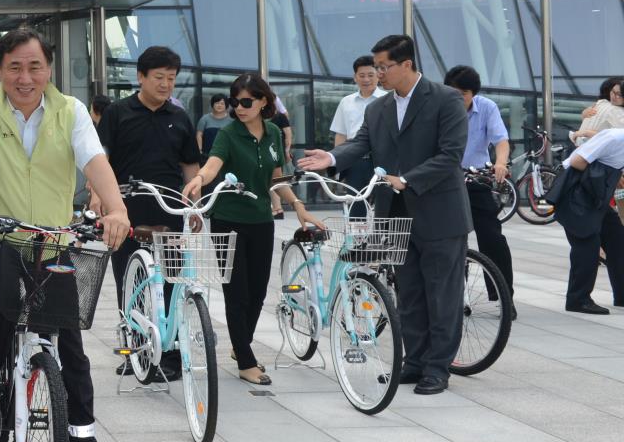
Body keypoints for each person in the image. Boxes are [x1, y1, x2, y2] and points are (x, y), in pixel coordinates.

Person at [0, 27, 133, 442]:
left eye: (35, 67)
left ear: (48, 69)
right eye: (14, 67)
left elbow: (94, 161)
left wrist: (116, 210)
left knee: (69, 343)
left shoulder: (69, 111)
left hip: (52, 240)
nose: (25, 77)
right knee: (1, 298)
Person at [302, 33, 469, 396]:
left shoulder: (445, 100)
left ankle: (438, 368)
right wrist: (330, 159)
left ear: (406, 64)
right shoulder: (378, 108)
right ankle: (415, 361)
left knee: (442, 293)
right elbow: (362, 144)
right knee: (408, 292)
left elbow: (451, 154)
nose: (378, 74)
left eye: (383, 67)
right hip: (395, 213)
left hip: (440, 212)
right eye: (375, 68)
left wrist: (407, 179)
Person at [182, 74, 319, 385]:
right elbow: (213, 164)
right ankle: (246, 359)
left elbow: (275, 177)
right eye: (235, 102)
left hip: (261, 219)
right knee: (236, 291)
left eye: (246, 102)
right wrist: (199, 180)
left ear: (263, 103)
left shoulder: (272, 132)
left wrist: (297, 204)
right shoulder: (228, 134)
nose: (239, 108)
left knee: (258, 291)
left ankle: (240, 343)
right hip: (228, 219)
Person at [96, 46, 203, 379]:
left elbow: (189, 164)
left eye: (171, 78)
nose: (166, 84)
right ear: (140, 77)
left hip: (170, 209)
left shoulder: (179, 117)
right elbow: (101, 160)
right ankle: (135, 352)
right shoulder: (118, 113)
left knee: (171, 280)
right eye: (159, 77)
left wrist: (193, 204)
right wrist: (99, 199)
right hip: (127, 209)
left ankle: (169, 353)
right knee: (130, 281)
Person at [442, 66, 517, 312]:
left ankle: (505, 297)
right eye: (453, 92)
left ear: (473, 93)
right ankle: (456, 299)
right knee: (451, 241)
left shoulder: (486, 107)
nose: (458, 98)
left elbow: (501, 140)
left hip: (476, 180)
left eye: (463, 93)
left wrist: (500, 163)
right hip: (444, 183)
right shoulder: (438, 108)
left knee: (493, 237)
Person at [550, 127, 624, 314]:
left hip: (593, 195)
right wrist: (605, 177)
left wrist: (614, 176)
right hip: (576, 190)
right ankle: (578, 299)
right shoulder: (616, 138)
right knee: (588, 244)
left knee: (617, 238)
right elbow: (577, 161)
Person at [330, 55, 387, 193]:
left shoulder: (388, 100)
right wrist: (339, 164)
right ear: (355, 77)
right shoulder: (346, 102)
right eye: (362, 75)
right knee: (356, 207)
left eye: (370, 75)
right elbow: (341, 135)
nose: (366, 79)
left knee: (383, 208)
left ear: (378, 76)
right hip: (354, 161)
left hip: (382, 162)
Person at [575, 77, 624, 145]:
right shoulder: (602, 104)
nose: (613, 96)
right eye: (612, 91)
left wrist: (587, 133)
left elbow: (618, 138)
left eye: (619, 94)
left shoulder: (615, 110)